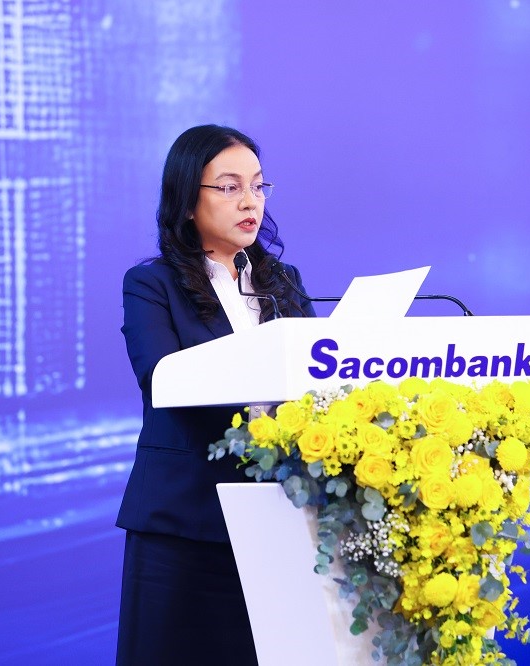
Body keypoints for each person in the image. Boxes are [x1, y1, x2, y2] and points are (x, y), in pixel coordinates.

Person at [116, 124, 315, 665]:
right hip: (184, 521)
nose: (250, 201)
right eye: (229, 187)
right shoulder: (152, 285)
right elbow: (162, 378)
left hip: (279, 516)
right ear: (187, 201)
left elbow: (316, 382)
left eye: (257, 185)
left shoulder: (284, 284)